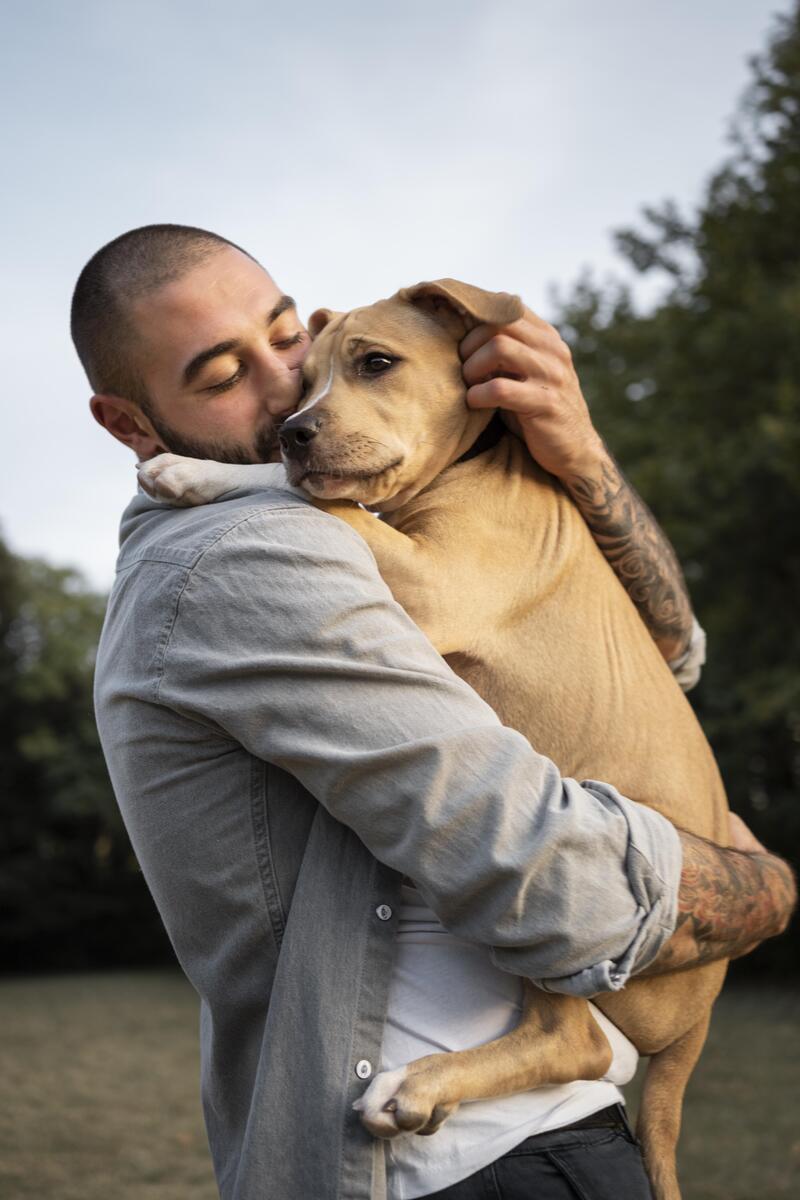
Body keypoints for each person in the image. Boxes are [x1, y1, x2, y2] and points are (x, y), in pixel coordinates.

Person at [72, 224, 794, 1200]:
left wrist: (579, 461)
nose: (292, 390)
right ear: (129, 425)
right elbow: (547, 876)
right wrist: (762, 890)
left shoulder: (378, 502)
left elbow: (667, 652)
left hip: (532, 1135)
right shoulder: (244, 549)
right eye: (220, 374)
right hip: (462, 1165)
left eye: (287, 336)